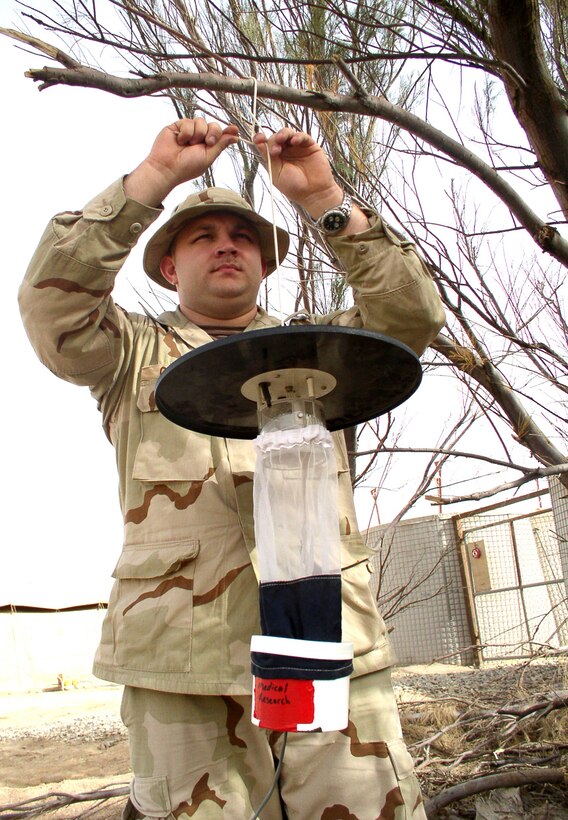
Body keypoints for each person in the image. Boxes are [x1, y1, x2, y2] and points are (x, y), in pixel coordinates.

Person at [19, 117, 445, 819]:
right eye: (203, 238)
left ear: (266, 263)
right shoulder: (128, 356)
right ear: (167, 267)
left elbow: (411, 317)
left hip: (328, 641)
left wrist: (325, 199)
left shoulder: (318, 353)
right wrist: (152, 181)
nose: (227, 247)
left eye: (243, 237)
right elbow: (50, 305)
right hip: (182, 663)